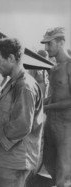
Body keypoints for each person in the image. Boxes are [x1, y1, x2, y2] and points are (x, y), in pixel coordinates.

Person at [0, 38, 43, 187]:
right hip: (7, 156)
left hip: (15, 160)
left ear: (12, 58)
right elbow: (12, 115)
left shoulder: (24, 86)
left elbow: (22, 125)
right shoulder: (12, 82)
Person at [41, 27, 71, 187]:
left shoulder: (69, 66)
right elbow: (55, 94)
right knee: (48, 161)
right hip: (51, 124)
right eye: (45, 44)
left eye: (49, 44)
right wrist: (42, 102)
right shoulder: (53, 68)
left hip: (66, 128)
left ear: (61, 43)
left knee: (64, 171)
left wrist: (48, 107)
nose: (46, 48)